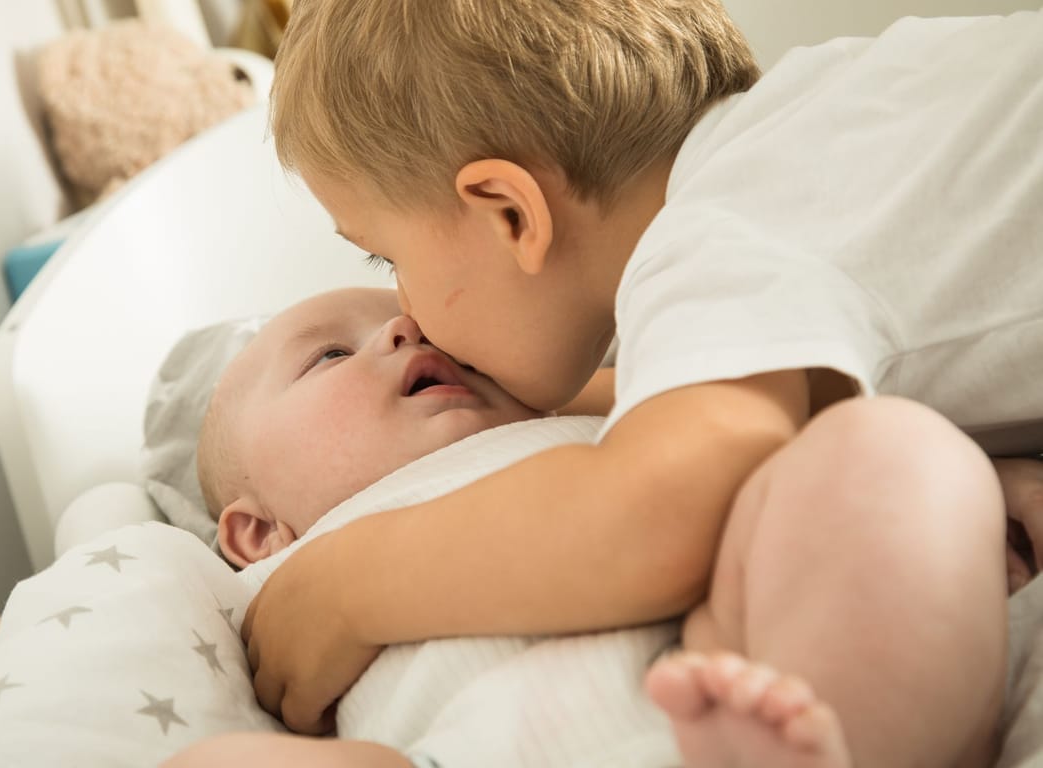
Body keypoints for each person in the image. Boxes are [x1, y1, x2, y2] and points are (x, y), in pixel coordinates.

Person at [241, 3, 1043, 766]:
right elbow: (670, 398)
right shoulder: (795, 150)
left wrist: (350, 585)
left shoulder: (711, 242)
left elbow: (661, 511)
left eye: (389, 261)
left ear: (510, 215)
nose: (404, 313)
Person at [0, 287, 542, 704]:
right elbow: (85, 666)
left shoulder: (612, 421)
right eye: (329, 354)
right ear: (260, 535)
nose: (404, 327)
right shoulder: (271, 591)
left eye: (427, 325)